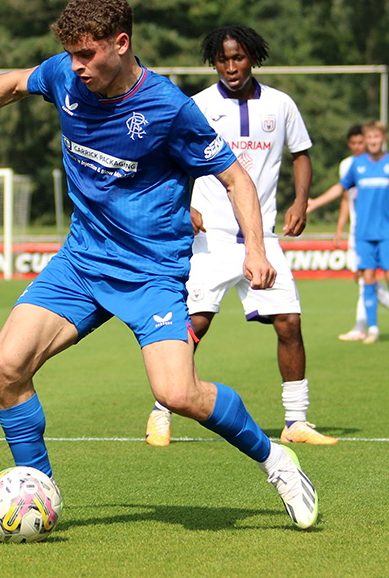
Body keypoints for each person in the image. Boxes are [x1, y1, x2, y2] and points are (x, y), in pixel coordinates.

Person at [0, 0, 317, 530]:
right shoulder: (66, 77)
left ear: (120, 44)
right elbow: (14, 83)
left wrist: (257, 249)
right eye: (70, 56)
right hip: (81, 262)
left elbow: (235, 177)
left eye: (86, 55)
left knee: (177, 393)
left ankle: (277, 460)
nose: (75, 67)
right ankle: (38, 490)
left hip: (150, 273)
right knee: (5, 365)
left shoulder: (168, 108)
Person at [144, 25, 337, 449]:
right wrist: (184, 206)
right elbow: (163, 158)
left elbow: (301, 155)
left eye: (239, 58)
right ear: (214, 62)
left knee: (289, 323)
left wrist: (301, 201)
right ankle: (161, 412)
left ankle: (296, 421)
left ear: (254, 58)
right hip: (209, 241)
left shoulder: (281, 105)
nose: (231, 67)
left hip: (262, 239)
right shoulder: (195, 105)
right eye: (222, 59)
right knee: (193, 324)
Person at [307, 125, 389, 341]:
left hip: (387, 233)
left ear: (382, 139)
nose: (369, 142)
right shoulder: (353, 165)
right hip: (361, 233)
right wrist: (317, 205)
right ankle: (370, 328)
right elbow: (344, 194)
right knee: (365, 279)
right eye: (366, 138)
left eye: (373, 137)